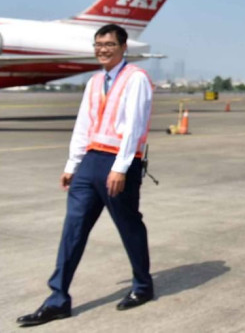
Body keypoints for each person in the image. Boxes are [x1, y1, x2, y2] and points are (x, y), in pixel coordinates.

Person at [17, 24, 155, 327]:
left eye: (108, 44)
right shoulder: (94, 82)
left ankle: (143, 286)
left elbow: (134, 125)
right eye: (98, 45)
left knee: (128, 225)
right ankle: (57, 299)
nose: (102, 49)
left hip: (119, 162)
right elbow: (83, 125)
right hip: (89, 163)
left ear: (123, 48)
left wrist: (120, 167)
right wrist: (72, 164)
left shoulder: (136, 79)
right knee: (73, 231)